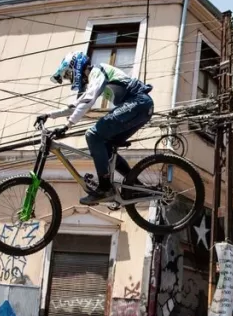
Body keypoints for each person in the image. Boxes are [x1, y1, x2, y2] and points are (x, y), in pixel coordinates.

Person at [49, 51, 155, 205]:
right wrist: (49, 115)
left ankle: (105, 187)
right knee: (107, 146)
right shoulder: (95, 79)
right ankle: (135, 185)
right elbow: (78, 104)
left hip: (138, 103)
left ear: (75, 68)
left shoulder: (97, 71)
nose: (69, 79)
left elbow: (88, 100)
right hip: (141, 108)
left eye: (68, 75)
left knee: (92, 135)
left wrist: (67, 125)